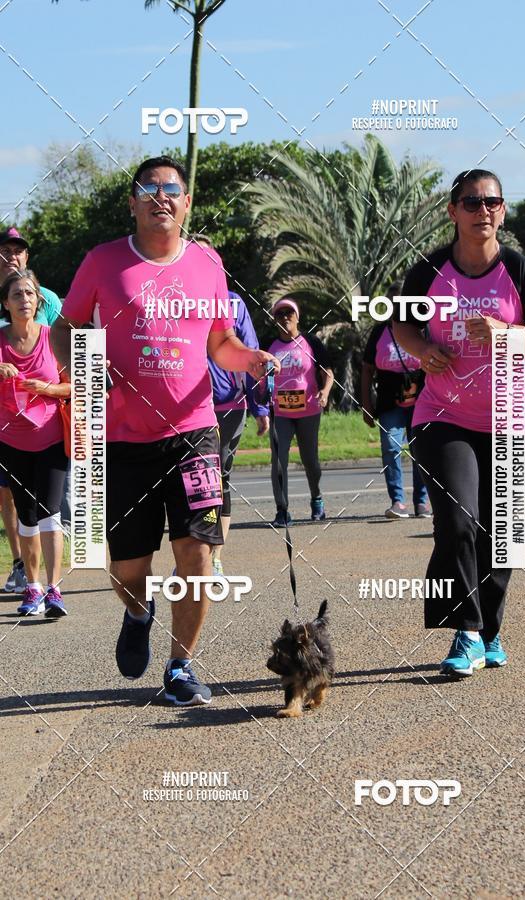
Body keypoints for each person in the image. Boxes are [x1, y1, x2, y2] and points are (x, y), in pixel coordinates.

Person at [52, 156, 279, 707]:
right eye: (148, 189)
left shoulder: (207, 262)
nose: (160, 197)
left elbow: (219, 342)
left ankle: (181, 664)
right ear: (132, 204)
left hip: (194, 432)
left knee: (197, 552)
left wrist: (249, 359)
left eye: (171, 189)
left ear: (186, 203)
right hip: (123, 439)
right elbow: (64, 329)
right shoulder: (103, 262)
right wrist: (81, 366)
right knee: (128, 569)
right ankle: (137, 610)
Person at [393, 169, 525, 677]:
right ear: (453, 212)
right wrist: (424, 350)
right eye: (471, 202)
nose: (482, 210)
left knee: (503, 534)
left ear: (503, 211)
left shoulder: (519, 270)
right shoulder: (429, 270)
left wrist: (506, 332)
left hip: (512, 415)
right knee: (457, 519)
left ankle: (490, 628)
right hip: (443, 415)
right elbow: (401, 323)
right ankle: (465, 632)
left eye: (491, 201)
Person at [0, 269, 70, 617]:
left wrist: (48, 389)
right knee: (26, 517)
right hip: (11, 441)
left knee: (50, 513)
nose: (24, 299)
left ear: (38, 300)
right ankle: (33, 587)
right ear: (5, 304)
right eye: (17, 295)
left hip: (51, 437)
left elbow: (76, 385)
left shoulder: (52, 337)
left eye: (29, 293)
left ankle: (55, 590)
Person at [209, 290, 269, 575]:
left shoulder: (232, 302)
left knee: (218, 478)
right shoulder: (176, 298)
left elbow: (251, 354)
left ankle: (214, 557)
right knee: (190, 482)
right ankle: (193, 560)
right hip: (186, 408)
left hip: (229, 405)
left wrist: (260, 408)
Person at [362, 282, 431, 519]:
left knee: (420, 450)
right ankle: (397, 502)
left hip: (421, 402)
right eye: (392, 301)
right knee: (391, 447)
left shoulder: (422, 328)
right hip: (389, 402)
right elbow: (367, 370)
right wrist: (366, 404)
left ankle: (422, 502)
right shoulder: (379, 331)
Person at [265, 298, 334, 527]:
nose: (285, 317)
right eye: (280, 314)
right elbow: (257, 373)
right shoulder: (269, 345)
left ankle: (316, 498)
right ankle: (282, 510)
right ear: (275, 319)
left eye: (289, 313)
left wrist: (324, 392)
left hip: (309, 411)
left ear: (297, 316)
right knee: (278, 461)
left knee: (310, 460)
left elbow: (328, 373)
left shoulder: (311, 342)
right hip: (280, 412)